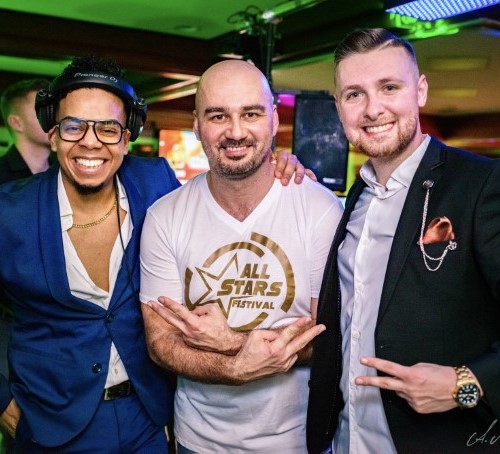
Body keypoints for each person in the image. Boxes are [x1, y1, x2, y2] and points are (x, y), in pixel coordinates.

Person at [0, 55, 304, 453]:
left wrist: (278, 166)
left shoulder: (154, 181)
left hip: (147, 418)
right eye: (74, 126)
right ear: (53, 135)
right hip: (49, 420)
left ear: (127, 136)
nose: (90, 141)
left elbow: (219, 198)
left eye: (108, 128)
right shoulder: (9, 211)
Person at [306, 28, 500, 454]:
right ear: (339, 107)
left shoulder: (482, 184)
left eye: (389, 87)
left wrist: (464, 385)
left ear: (420, 91)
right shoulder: (355, 197)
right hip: (344, 441)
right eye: (354, 94)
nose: (373, 109)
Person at [139, 59, 344, 453]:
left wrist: (231, 342)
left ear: (273, 119)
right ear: (197, 125)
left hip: (297, 442)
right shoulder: (165, 217)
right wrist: (234, 367)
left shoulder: (319, 209)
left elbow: (329, 336)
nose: (235, 132)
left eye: (251, 113)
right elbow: (161, 342)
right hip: (198, 441)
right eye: (218, 116)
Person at [0, 78, 55, 184]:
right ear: (16, 123)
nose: (55, 118)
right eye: (43, 111)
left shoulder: (66, 171)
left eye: (53, 110)